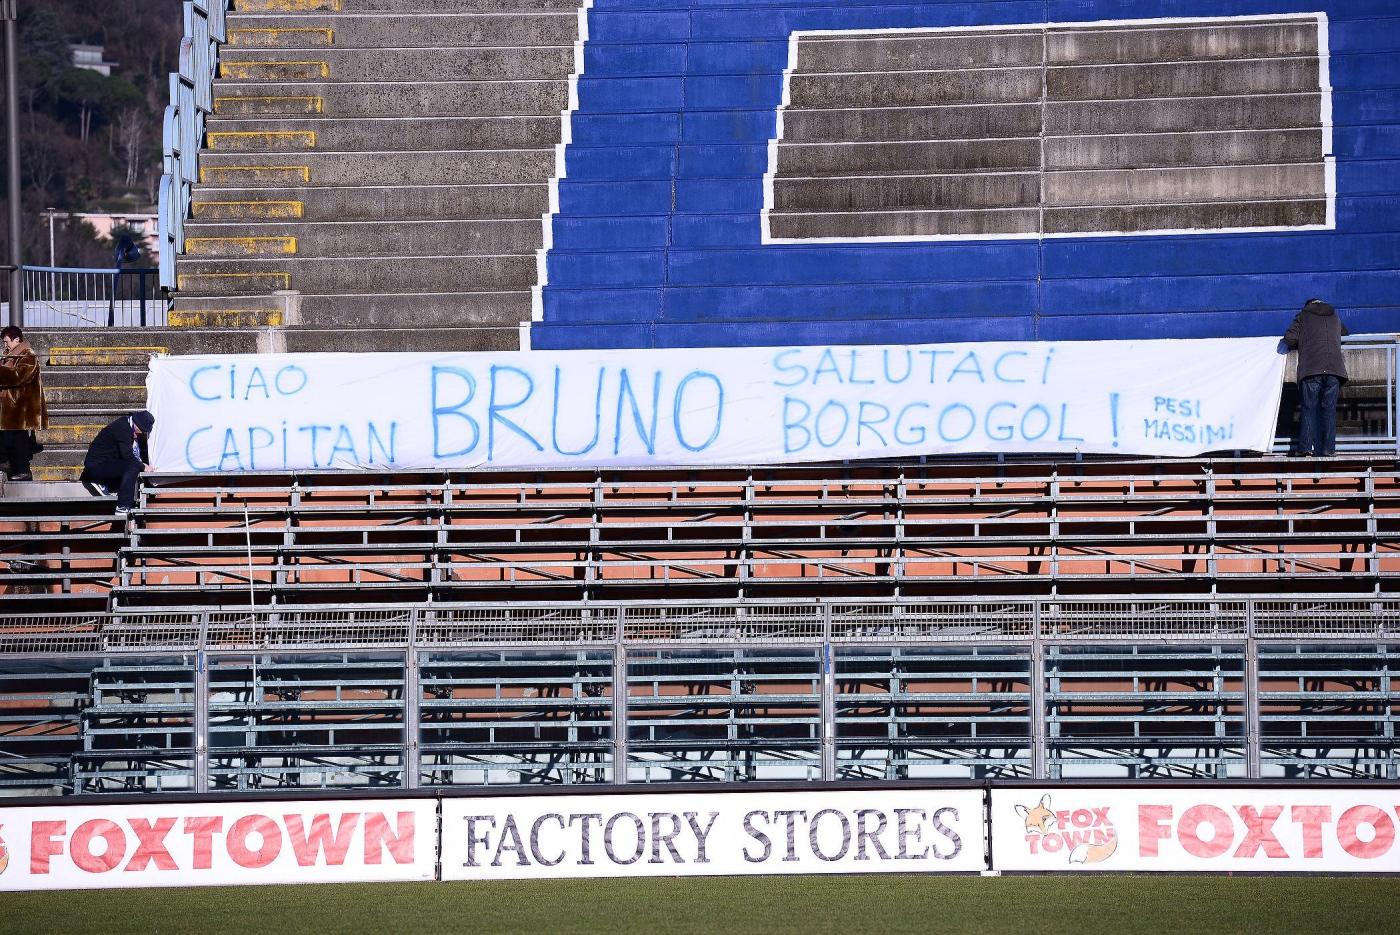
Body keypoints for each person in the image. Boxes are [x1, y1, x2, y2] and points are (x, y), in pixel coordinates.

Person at [1283, 298, 1349, 457]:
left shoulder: (1303, 315)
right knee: (1329, 409)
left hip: (1312, 367)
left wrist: (1305, 342)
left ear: (1308, 306)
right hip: (1334, 369)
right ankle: (1328, 450)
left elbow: (1290, 338)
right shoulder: (1334, 315)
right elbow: (1344, 333)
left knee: (1309, 407)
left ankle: (1305, 448)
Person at [81, 410, 154, 514]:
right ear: (137, 425)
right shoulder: (122, 428)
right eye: (141, 431)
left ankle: (105, 484)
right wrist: (143, 466)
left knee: (132, 467)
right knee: (132, 467)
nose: (140, 434)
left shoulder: (126, 425)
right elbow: (128, 456)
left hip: (104, 464)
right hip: (96, 467)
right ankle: (123, 506)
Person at [0, 325, 48, 481]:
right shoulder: (10, 356)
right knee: (12, 437)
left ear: (16, 339)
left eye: (7, 341)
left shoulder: (28, 354)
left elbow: (18, 376)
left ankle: (22, 470)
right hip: (11, 406)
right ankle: (8, 464)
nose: (5, 345)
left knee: (19, 437)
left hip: (22, 406)